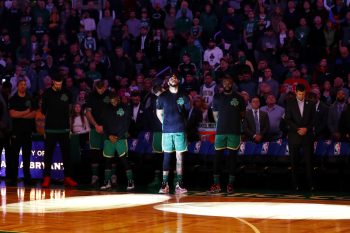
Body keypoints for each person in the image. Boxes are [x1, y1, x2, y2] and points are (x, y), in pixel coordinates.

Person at [208, 76, 245, 194]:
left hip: (234, 132)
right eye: (225, 82)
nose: (227, 84)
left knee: (232, 159)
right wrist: (221, 125)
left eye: (229, 82)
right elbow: (215, 116)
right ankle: (216, 184)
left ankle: (230, 185)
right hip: (221, 132)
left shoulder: (239, 97)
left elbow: (242, 115)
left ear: (232, 83)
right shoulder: (217, 97)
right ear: (222, 84)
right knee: (217, 158)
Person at [41, 75, 77, 188]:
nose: (58, 86)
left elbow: (71, 110)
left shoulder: (67, 92)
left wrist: (70, 128)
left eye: (60, 84)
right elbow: (43, 112)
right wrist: (44, 129)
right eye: (56, 84)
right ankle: (46, 178)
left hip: (64, 129)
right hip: (50, 129)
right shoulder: (46, 93)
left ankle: (68, 177)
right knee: (48, 155)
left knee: (67, 154)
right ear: (53, 82)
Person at [156, 74, 190, 194]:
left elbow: (188, 113)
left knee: (179, 157)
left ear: (178, 81)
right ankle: (164, 184)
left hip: (180, 129)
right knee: (167, 156)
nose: (173, 79)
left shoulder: (184, 96)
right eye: (171, 78)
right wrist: (165, 124)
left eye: (175, 78)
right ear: (168, 82)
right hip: (167, 131)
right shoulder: (162, 96)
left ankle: (179, 184)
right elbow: (159, 113)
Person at [100, 92, 134, 191]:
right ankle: (107, 182)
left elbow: (126, 124)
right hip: (108, 138)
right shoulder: (106, 108)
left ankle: (130, 181)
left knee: (124, 159)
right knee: (108, 160)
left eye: (115, 100)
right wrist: (109, 135)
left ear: (118, 99)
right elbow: (104, 124)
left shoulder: (125, 107)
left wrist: (118, 136)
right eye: (112, 101)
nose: (114, 102)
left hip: (121, 138)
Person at [285, 84, 315, 191]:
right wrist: (298, 129)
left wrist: (306, 129)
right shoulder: (289, 103)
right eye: (299, 94)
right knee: (294, 161)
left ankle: (310, 185)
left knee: (309, 161)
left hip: (307, 136)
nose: (301, 96)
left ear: (305, 93)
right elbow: (287, 120)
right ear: (296, 92)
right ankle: (295, 185)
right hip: (294, 136)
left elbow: (313, 120)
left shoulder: (311, 104)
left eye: (303, 94)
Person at [7, 79, 36, 184]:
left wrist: (21, 114)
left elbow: (34, 114)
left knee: (27, 155)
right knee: (14, 155)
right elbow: (12, 114)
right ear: (18, 86)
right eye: (21, 85)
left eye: (25, 85)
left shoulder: (30, 98)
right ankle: (13, 178)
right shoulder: (13, 99)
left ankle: (27, 178)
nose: (23, 86)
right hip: (16, 132)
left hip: (27, 132)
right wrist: (26, 112)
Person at [85, 80, 110, 186]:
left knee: (109, 152)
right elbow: (88, 113)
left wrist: (105, 126)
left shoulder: (110, 95)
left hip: (108, 128)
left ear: (105, 87)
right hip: (95, 128)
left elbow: (113, 111)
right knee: (95, 152)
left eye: (102, 88)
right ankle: (94, 177)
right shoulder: (91, 96)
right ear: (96, 87)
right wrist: (96, 125)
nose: (100, 91)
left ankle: (111, 177)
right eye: (98, 89)